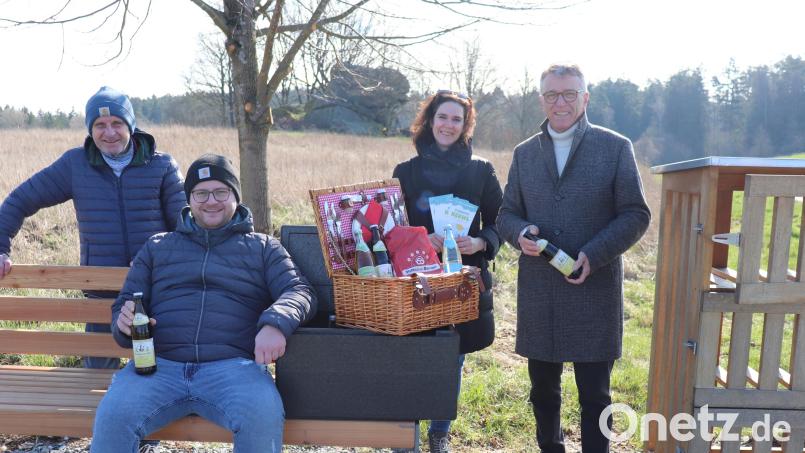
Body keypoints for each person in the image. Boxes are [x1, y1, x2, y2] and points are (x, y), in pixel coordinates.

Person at [90, 154, 316, 452]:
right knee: (113, 416)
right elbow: (125, 305)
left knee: (261, 415)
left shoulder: (263, 248)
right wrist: (124, 324)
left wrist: (276, 323)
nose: (211, 201)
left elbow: (300, 291)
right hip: (157, 369)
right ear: (189, 199)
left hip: (234, 370)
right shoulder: (157, 247)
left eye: (221, 192)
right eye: (201, 193)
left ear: (235, 196)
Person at [496, 63, 650, 453]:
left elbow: (635, 214)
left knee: (596, 395)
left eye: (569, 94)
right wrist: (520, 233)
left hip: (593, 289)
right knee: (543, 392)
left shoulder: (615, 147)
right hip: (541, 292)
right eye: (552, 95)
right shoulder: (524, 153)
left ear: (585, 98)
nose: (560, 102)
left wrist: (593, 254)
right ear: (541, 100)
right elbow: (506, 214)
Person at [0, 86, 186, 369]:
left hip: (154, 289)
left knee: (161, 372)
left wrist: (159, 257)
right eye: (100, 125)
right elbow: (20, 200)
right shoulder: (75, 165)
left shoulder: (161, 166)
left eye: (117, 123)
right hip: (100, 291)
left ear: (130, 125)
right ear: (90, 129)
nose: (109, 133)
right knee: (98, 374)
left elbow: (184, 225)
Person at [392, 90, 503, 453]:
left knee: (452, 357)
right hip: (417, 279)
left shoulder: (481, 170)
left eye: (457, 119)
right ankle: (406, 435)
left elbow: (501, 222)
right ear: (430, 120)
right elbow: (392, 229)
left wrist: (481, 242)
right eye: (443, 117)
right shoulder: (406, 172)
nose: (448, 125)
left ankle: (440, 433)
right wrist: (422, 238)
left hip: (462, 281)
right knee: (412, 358)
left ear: (466, 125)